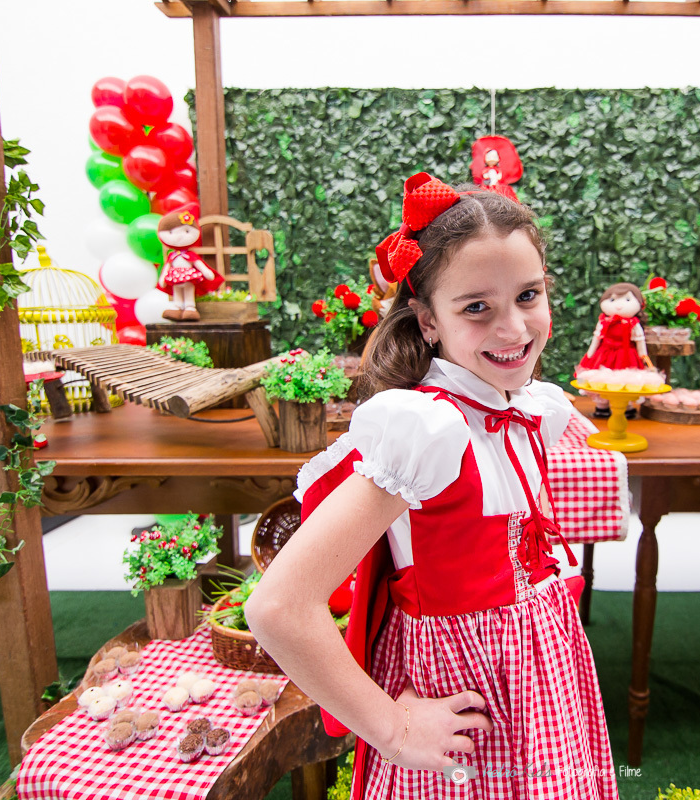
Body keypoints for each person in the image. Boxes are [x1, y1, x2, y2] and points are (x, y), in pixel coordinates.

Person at [246, 172, 619, 800]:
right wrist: (393, 729)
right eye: (477, 307)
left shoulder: (528, 407)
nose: (514, 329)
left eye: (528, 295)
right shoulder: (428, 431)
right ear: (427, 322)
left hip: (542, 681)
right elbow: (277, 607)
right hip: (464, 693)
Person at [576, 282, 653, 418]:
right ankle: (602, 406)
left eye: (628, 300)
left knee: (627, 381)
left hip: (627, 356)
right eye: (612, 300)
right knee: (602, 379)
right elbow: (597, 338)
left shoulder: (633, 324)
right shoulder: (604, 322)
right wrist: (590, 354)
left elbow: (640, 341)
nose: (619, 304)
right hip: (604, 355)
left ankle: (627, 406)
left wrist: (643, 356)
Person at [156, 207, 223, 320]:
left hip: (188, 277)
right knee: (177, 290)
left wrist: (207, 272)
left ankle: (190, 307)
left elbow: (199, 264)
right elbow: (166, 267)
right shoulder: (172, 256)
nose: (179, 236)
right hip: (175, 278)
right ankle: (177, 306)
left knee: (188, 289)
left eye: (186, 231)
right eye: (172, 232)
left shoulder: (190, 255)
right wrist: (162, 279)